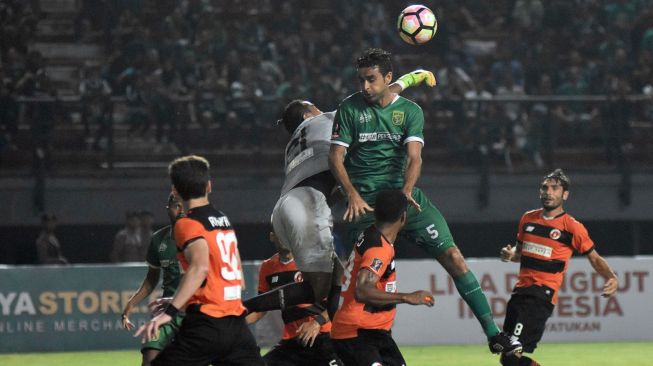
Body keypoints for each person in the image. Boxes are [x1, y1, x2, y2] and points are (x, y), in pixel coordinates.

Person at [328, 48, 521, 354]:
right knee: (355, 280)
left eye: (371, 79)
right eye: (361, 80)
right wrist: (351, 194)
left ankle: (494, 334)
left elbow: (415, 157)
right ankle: (337, 348)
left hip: (406, 200)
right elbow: (335, 156)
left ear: (387, 78)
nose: (364, 86)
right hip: (365, 205)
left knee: (454, 257)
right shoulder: (350, 108)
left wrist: (406, 192)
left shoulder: (410, 111)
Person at [269, 68, 436, 320]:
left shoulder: (292, 146)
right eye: (314, 107)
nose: (319, 109)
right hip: (306, 204)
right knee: (319, 288)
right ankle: (246, 308)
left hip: (283, 208)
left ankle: (323, 319)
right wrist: (412, 78)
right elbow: (380, 95)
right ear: (307, 113)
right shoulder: (325, 119)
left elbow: (327, 182)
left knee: (336, 275)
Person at [135, 155, 264, 366]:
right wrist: (188, 298)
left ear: (174, 190)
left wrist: (170, 311)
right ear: (209, 186)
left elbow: (200, 267)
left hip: (207, 326)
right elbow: (237, 278)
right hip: (236, 326)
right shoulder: (223, 220)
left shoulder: (186, 224)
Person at [498, 169, 618, 366]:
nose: (549, 192)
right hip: (520, 293)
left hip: (540, 296)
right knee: (507, 358)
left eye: (555, 188)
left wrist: (611, 277)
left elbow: (594, 258)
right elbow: (520, 254)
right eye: (545, 187)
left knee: (512, 356)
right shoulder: (527, 219)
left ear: (565, 195)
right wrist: (510, 255)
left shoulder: (572, 227)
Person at [330, 189, 435, 366]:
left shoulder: (373, 234)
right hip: (356, 333)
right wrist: (406, 297)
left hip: (375, 332)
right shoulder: (379, 249)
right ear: (403, 217)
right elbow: (362, 290)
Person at [245, 228, 343, 366]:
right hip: (292, 344)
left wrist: (317, 323)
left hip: (324, 337)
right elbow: (262, 307)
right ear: (272, 236)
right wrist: (237, 322)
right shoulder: (268, 267)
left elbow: (339, 299)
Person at [121, 194, 184, 366]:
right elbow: (151, 279)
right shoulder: (158, 239)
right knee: (149, 352)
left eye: (183, 205)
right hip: (168, 312)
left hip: (196, 310)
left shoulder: (202, 236)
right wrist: (131, 303)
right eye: (175, 205)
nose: (180, 210)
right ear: (168, 209)